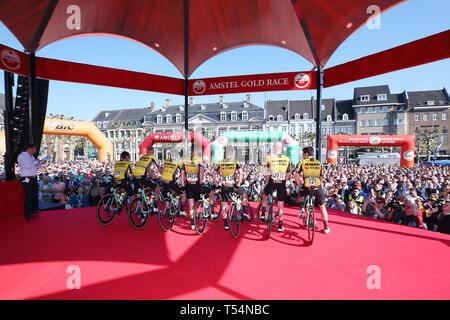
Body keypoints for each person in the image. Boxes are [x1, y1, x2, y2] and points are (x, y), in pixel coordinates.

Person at [294, 146, 330, 234]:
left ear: (306, 154)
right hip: (317, 187)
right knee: (323, 207)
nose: (302, 156)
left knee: (300, 193)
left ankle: (302, 209)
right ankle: (326, 227)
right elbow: (322, 177)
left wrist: (300, 185)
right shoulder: (319, 163)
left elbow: (296, 176)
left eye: (303, 154)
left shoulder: (302, 162)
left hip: (307, 187)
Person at [213, 146, 247, 230]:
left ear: (225, 153)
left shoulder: (220, 162)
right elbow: (241, 173)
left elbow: (214, 173)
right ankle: (245, 211)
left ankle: (226, 224)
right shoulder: (235, 162)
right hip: (233, 186)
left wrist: (217, 184)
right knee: (244, 194)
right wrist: (238, 184)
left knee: (224, 207)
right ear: (232, 153)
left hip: (224, 187)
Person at [260, 141, 291, 232]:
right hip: (281, 182)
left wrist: (267, 181)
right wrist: (283, 181)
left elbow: (267, 173)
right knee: (280, 206)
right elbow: (288, 174)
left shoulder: (270, 158)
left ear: (274, 148)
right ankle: (280, 226)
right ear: (281, 148)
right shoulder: (287, 159)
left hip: (272, 181)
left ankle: (263, 213)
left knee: (264, 196)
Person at [17, 144, 47, 221]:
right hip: (27, 178)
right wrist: (36, 161)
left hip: (33, 178)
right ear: (30, 148)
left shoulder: (31, 157)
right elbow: (27, 166)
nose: (35, 151)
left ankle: (33, 211)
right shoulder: (22, 156)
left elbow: (35, 167)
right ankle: (27, 214)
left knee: (34, 195)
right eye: (34, 149)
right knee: (29, 196)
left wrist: (41, 163)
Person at [181, 144, 205, 230]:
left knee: (191, 205)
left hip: (188, 185)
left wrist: (183, 185)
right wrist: (201, 183)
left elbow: (182, 174)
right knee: (197, 203)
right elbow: (201, 172)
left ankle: (192, 222)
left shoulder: (185, 160)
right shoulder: (200, 160)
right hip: (197, 184)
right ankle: (195, 217)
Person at [155, 149, 185, 216]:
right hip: (171, 181)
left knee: (166, 196)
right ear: (177, 155)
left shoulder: (166, 160)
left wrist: (163, 175)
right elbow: (182, 173)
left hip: (164, 181)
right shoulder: (178, 162)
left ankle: (168, 209)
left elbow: (160, 169)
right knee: (183, 193)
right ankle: (182, 210)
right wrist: (181, 179)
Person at [132, 146, 159, 211]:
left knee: (138, 194)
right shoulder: (152, 157)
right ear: (153, 152)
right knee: (157, 189)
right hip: (141, 176)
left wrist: (153, 177)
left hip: (134, 176)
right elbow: (155, 168)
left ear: (146, 151)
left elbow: (148, 169)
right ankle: (155, 207)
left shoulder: (142, 157)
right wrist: (155, 178)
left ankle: (140, 211)